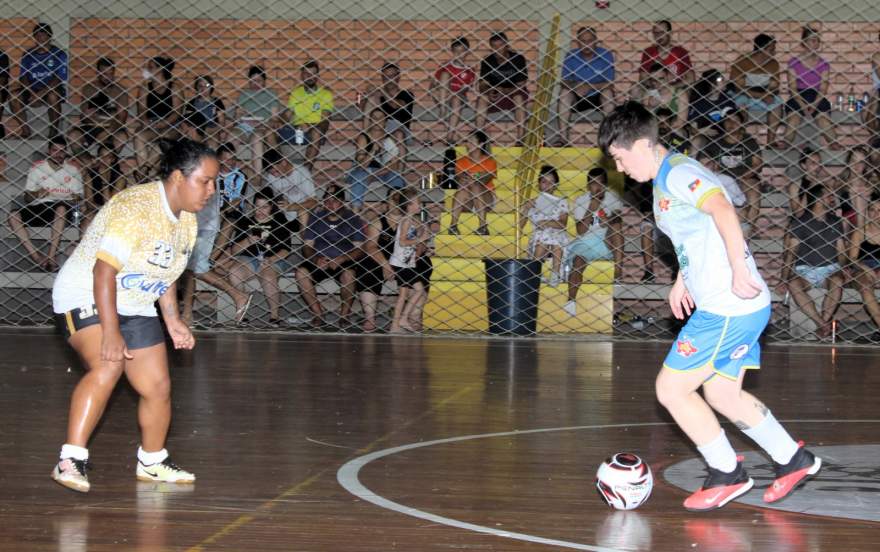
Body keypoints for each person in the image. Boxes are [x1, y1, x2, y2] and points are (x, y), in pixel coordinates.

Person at [598, 101, 821, 511]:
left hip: (727, 308)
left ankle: (727, 472)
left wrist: (738, 268)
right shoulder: (664, 178)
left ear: (643, 144)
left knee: (671, 389)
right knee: (722, 395)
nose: (620, 168)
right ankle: (794, 459)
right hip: (734, 306)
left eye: (619, 157)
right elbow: (693, 234)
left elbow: (722, 209)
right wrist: (682, 279)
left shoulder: (680, 173)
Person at [49, 138, 217, 493]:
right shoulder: (135, 206)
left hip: (135, 300)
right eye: (205, 181)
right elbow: (103, 273)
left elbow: (166, 274)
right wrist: (111, 331)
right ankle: (70, 459)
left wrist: (172, 320)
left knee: (157, 386)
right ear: (176, 178)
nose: (211, 190)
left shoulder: (187, 220)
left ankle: (153, 462)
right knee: (108, 364)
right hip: (85, 292)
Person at [179, 150, 253, 327]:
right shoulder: (199, 175)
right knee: (190, 270)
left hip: (203, 225)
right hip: (197, 223)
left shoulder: (204, 177)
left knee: (196, 269)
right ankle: (187, 314)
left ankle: (236, 295)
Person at [217, 187, 292, 327]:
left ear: (272, 207)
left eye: (265, 207)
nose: (260, 211)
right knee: (234, 271)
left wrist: (271, 260)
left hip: (272, 259)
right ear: (252, 206)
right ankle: (241, 314)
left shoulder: (280, 222)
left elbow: (286, 250)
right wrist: (247, 241)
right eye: (257, 207)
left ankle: (274, 317)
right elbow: (234, 250)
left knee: (268, 276)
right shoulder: (245, 222)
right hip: (248, 259)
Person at [779, 184, 846, 338]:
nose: (832, 199)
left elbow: (841, 251)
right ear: (818, 199)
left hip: (830, 268)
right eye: (829, 196)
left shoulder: (835, 221)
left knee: (837, 281)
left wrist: (843, 268)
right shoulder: (801, 222)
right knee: (793, 284)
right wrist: (783, 278)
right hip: (805, 270)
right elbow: (791, 253)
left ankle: (823, 324)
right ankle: (822, 324)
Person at [8, 135, 83, 271]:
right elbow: (28, 198)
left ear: (66, 152)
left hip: (63, 209)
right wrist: (37, 194)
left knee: (60, 208)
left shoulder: (72, 170)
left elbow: (78, 197)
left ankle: (51, 256)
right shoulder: (38, 168)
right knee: (13, 216)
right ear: (48, 151)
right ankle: (37, 257)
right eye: (55, 150)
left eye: (62, 151)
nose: (58, 154)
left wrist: (70, 196)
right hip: (40, 206)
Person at [295, 187, 365, 328]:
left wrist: (342, 259)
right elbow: (307, 246)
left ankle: (344, 315)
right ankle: (318, 314)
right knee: (301, 273)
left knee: (349, 275)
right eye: (327, 201)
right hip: (320, 259)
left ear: (342, 202)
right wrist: (316, 259)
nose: (330, 204)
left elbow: (359, 250)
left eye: (335, 201)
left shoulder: (353, 219)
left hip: (342, 260)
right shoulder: (316, 218)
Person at [564, 167, 623, 316]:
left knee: (615, 226)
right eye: (593, 184)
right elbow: (580, 231)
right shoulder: (581, 200)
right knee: (578, 262)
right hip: (585, 242)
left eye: (600, 183)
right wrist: (591, 207)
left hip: (606, 241)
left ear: (605, 185)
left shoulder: (612, 197)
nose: (596, 187)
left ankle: (617, 271)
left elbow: (617, 221)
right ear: (588, 186)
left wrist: (607, 221)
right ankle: (571, 300)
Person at [703, 110, 763, 231]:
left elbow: (758, 163)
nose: (731, 123)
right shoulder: (715, 140)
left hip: (745, 177)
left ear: (741, 123)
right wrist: (711, 165)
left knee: (753, 191)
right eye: (728, 120)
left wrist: (745, 175)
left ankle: (748, 228)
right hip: (722, 179)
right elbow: (704, 160)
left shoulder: (748, 141)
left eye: (735, 120)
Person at [780, 26, 837, 149]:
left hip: (817, 96)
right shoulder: (793, 62)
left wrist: (814, 104)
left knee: (823, 119)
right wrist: (803, 105)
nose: (815, 43)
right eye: (812, 40)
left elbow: (823, 89)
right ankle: (785, 143)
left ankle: (834, 144)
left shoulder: (823, 64)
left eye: (817, 40)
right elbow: (792, 88)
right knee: (793, 119)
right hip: (798, 95)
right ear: (804, 43)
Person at [557, 26, 615, 145]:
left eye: (590, 41)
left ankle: (609, 139)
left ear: (596, 41)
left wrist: (589, 86)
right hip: (577, 96)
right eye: (583, 41)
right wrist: (576, 87)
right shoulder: (571, 56)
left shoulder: (606, 55)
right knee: (564, 93)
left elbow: (610, 83)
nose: (587, 44)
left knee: (608, 94)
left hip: (597, 96)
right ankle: (563, 139)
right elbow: (564, 80)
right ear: (578, 43)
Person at [10, 22, 68, 139]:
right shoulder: (28, 54)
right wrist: (32, 92)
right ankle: (25, 131)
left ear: (49, 36)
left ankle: (53, 130)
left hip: (51, 89)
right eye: (37, 35)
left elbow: (59, 78)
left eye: (43, 35)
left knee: (53, 95)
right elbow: (23, 76)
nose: (40, 38)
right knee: (13, 96)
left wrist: (41, 93)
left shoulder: (59, 54)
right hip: (32, 89)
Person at [730, 33, 784, 147]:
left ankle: (770, 141)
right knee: (741, 104)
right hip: (744, 95)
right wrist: (762, 96)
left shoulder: (773, 64)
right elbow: (738, 87)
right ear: (762, 49)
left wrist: (767, 94)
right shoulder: (743, 61)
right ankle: (741, 139)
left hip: (763, 95)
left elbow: (774, 85)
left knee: (777, 105)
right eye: (771, 49)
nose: (774, 52)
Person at [346, 108, 407, 210]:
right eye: (374, 118)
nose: (377, 120)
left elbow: (394, 166)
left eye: (380, 118)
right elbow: (361, 166)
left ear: (385, 122)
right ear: (371, 121)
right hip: (364, 170)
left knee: (397, 178)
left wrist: (373, 175)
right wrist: (373, 151)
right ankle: (355, 211)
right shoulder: (363, 138)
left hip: (382, 172)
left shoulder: (389, 139)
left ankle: (398, 210)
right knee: (359, 177)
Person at [476, 32, 529, 143]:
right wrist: (489, 91)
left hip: (514, 94)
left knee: (519, 98)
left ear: (506, 45)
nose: (497, 49)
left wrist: (504, 90)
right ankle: (479, 137)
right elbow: (482, 85)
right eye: (494, 46)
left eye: (500, 46)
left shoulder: (518, 59)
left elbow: (521, 84)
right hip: (496, 96)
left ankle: (521, 139)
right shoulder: (487, 61)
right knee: (482, 99)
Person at [521, 165, 570, 287]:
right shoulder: (533, 202)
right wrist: (526, 209)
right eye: (544, 181)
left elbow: (562, 224)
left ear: (556, 185)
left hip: (558, 239)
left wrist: (546, 223)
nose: (547, 185)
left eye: (551, 182)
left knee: (552, 235)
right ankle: (539, 272)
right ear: (538, 184)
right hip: (539, 241)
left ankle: (553, 273)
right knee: (543, 235)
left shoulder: (561, 202)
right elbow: (519, 226)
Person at [280, 60, 333, 170]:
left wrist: (310, 126)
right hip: (297, 130)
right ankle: (280, 168)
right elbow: (287, 114)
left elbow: (325, 121)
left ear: (317, 76)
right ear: (302, 76)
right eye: (307, 74)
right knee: (271, 132)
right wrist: (279, 121)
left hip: (315, 131)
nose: (310, 77)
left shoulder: (325, 94)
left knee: (316, 133)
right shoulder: (296, 93)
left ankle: (305, 172)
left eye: (313, 74)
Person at [388, 189, 428, 333]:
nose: (420, 205)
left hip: (406, 262)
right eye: (418, 203)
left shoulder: (412, 220)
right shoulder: (405, 220)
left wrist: (423, 231)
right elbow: (403, 242)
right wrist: (420, 239)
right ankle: (404, 318)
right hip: (401, 263)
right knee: (419, 290)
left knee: (403, 295)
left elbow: (414, 238)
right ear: (409, 205)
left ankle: (394, 326)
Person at [133, 57, 180, 178]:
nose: (147, 70)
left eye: (151, 68)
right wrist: (145, 121)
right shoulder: (145, 87)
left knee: (165, 138)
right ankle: (147, 175)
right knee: (138, 135)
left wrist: (164, 123)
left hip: (171, 125)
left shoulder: (174, 87)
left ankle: (144, 170)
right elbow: (142, 109)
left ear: (161, 69)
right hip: (151, 123)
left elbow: (177, 112)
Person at [357, 197, 399, 332]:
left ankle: (409, 317)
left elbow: (419, 247)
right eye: (395, 199)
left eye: (401, 200)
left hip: (402, 260)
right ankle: (370, 317)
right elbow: (370, 247)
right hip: (380, 260)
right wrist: (386, 266)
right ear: (386, 205)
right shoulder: (378, 222)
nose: (397, 203)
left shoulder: (412, 222)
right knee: (366, 267)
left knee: (421, 266)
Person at [233, 65, 282, 176]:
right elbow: (236, 118)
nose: (255, 84)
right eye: (252, 81)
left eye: (258, 81)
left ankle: (257, 175)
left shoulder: (271, 94)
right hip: (245, 126)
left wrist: (263, 123)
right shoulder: (244, 94)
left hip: (263, 126)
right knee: (232, 135)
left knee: (257, 136)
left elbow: (275, 118)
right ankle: (227, 173)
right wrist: (240, 115)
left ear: (264, 81)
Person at [448, 130, 496, 235]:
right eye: (467, 141)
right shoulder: (461, 161)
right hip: (467, 200)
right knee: (463, 188)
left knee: (476, 185)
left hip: (485, 198)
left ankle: (483, 227)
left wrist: (474, 179)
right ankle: (453, 226)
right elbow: (458, 180)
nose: (467, 144)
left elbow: (485, 180)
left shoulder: (489, 161)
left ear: (480, 144)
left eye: (471, 141)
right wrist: (463, 179)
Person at [430, 37, 476, 144]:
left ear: (467, 52)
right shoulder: (445, 66)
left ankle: (450, 137)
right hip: (442, 97)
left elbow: (468, 88)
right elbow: (433, 85)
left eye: (462, 51)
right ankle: (442, 110)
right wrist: (437, 87)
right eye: (456, 52)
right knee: (445, 74)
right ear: (452, 52)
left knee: (456, 98)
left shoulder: (469, 70)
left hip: (458, 98)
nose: (459, 54)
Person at [261, 148, 317, 232]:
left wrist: (291, 207)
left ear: (284, 162)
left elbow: (314, 202)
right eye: (272, 173)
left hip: (299, 216)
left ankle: (306, 244)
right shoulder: (271, 176)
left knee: (303, 213)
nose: (275, 175)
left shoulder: (302, 173)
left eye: (276, 171)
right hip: (282, 216)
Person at [849, 191, 880, 340]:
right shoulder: (860, 232)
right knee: (866, 287)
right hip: (862, 268)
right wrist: (865, 268)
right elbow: (852, 258)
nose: (876, 214)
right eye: (872, 210)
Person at [79, 57, 129, 148]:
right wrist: (88, 118)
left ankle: (107, 159)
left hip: (113, 127)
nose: (108, 77)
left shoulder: (121, 90)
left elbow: (122, 119)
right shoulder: (88, 89)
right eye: (104, 74)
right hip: (91, 127)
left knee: (122, 137)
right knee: (73, 135)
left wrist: (109, 130)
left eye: (111, 74)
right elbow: (84, 117)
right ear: (98, 73)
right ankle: (88, 159)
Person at [362, 63, 415, 138]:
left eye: (391, 76)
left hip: (400, 132)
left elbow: (396, 105)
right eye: (385, 76)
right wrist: (365, 96)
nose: (388, 79)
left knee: (397, 133)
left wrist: (381, 90)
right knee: (372, 99)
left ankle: (369, 139)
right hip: (380, 130)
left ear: (398, 77)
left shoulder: (406, 94)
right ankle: (365, 136)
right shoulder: (379, 95)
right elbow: (362, 109)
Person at [639, 20, 694, 84]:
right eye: (656, 33)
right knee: (635, 89)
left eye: (662, 32)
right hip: (655, 90)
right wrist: (656, 86)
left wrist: (673, 88)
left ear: (670, 33)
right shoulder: (649, 52)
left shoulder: (680, 52)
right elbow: (642, 78)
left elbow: (691, 78)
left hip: (675, 91)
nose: (659, 36)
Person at [180, 75, 227, 147]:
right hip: (197, 130)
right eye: (200, 86)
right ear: (196, 88)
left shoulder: (216, 101)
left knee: (212, 144)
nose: (203, 88)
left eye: (207, 85)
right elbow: (188, 120)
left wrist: (219, 131)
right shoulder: (192, 102)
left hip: (212, 129)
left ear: (211, 87)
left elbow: (221, 121)